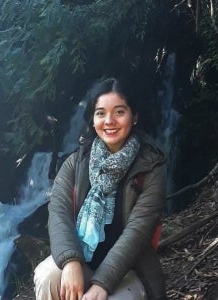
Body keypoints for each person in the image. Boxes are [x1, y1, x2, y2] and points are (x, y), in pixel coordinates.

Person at [34, 78, 167, 300]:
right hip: (82, 260)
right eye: (100, 113)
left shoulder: (151, 168)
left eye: (119, 112)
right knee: (48, 277)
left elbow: (136, 234)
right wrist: (70, 261)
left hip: (130, 271)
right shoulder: (76, 163)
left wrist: (102, 284)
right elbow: (58, 213)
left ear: (134, 117)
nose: (109, 121)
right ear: (92, 120)